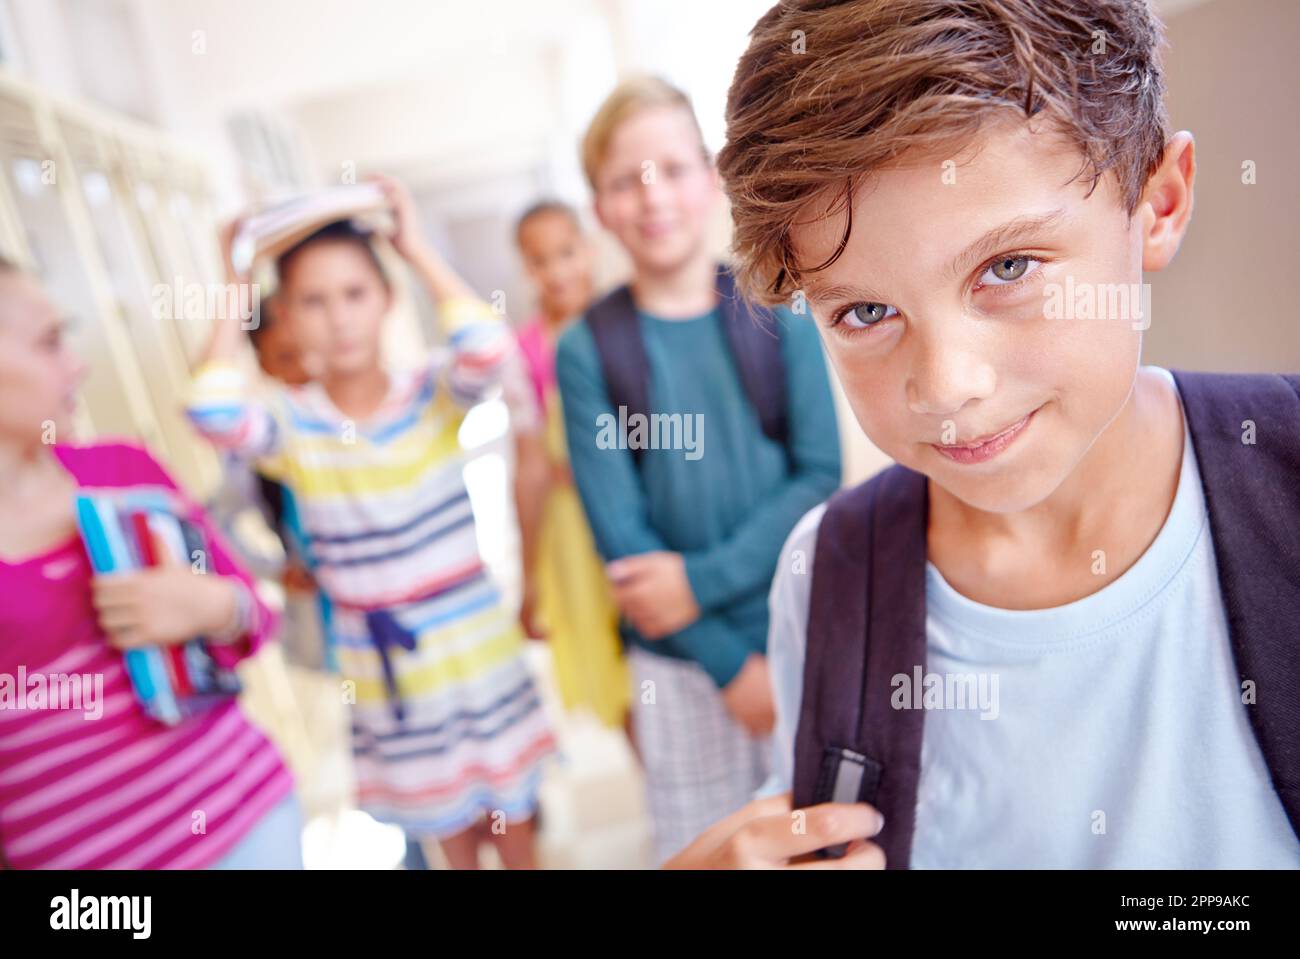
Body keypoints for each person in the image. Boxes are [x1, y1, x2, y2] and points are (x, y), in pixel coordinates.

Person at [668, 0, 1300, 868]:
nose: (947, 386)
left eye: (1008, 267)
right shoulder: (828, 580)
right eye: (865, 310)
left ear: (1158, 202)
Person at [185, 176, 555, 869]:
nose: (339, 317)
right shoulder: (292, 424)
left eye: (355, 293)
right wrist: (234, 278)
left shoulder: (433, 392)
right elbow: (210, 410)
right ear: (286, 317)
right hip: (390, 679)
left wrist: (412, 246)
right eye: (314, 302)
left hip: (474, 651)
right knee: (452, 838)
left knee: (515, 832)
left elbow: (491, 353)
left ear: (386, 298)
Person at [556, 78, 842, 864]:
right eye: (625, 180)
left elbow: (819, 476)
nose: (654, 197)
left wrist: (701, 581)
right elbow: (624, 540)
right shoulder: (587, 349)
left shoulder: (778, 309)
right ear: (599, 207)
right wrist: (728, 665)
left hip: (801, 632)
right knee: (703, 850)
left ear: (712, 177)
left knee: (828, 839)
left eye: (673, 169)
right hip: (679, 667)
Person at [0, 258, 300, 869]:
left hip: (253, 820)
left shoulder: (123, 472)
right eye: (50, 343)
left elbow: (255, 619)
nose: (77, 364)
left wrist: (209, 606)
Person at [511, 200, 629, 731]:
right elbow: (529, 469)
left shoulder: (628, 320)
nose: (557, 272)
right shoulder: (525, 353)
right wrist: (529, 577)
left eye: (566, 252)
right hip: (572, 536)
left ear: (590, 248)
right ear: (525, 269)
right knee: (614, 675)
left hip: (639, 514)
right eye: (540, 261)